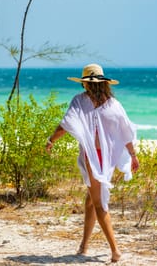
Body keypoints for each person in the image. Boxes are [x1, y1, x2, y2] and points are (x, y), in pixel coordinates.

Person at [45, 63, 139, 263]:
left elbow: (64, 125)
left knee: (99, 202)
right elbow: (126, 131)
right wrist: (133, 154)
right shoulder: (113, 103)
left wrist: (51, 140)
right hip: (108, 157)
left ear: (85, 84)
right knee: (91, 199)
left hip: (93, 156)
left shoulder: (80, 101)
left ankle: (115, 250)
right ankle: (84, 246)